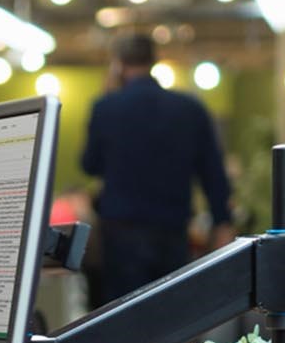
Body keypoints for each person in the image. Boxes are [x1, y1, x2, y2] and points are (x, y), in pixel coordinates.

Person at [81, 33, 236, 308]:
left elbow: (90, 164)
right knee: (168, 315)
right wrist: (221, 220)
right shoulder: (190, 109)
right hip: (172, 229)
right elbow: (212, 172)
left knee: (122, 317)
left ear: (118, 64)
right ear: (154, 61)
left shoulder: (106, 108)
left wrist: (109, 93)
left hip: (122, 233)